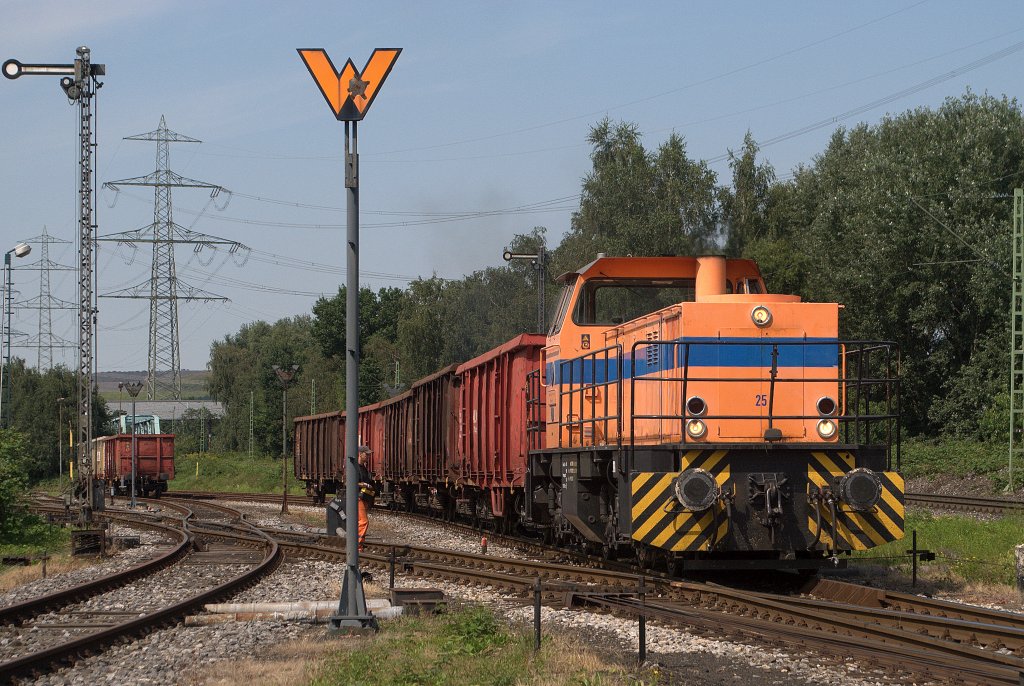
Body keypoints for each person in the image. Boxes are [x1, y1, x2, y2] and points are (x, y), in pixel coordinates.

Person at [356, 445, 375, 552]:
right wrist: (364, 485)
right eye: (366, 454)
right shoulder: (355, 467)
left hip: (364, 498)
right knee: (364, 522)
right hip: (358, 498)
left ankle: (358, 545)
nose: (368, 456)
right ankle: (358, 546)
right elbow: (351, 482)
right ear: (360, 454)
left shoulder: (364, 468)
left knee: (360, 522)